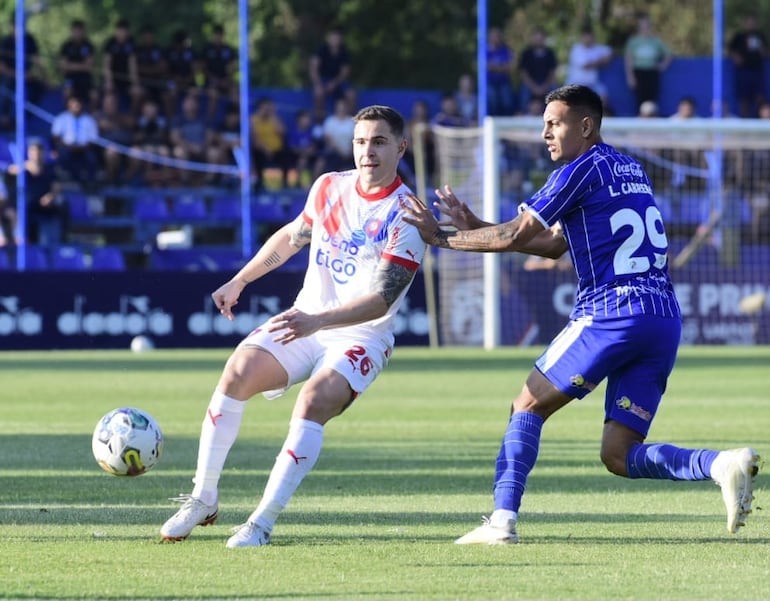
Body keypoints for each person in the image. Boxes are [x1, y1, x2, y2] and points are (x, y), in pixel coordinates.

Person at [402, 84, 760, 544]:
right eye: (544, 124)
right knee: (619, 453)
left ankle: (501, 522)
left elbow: (519, 234)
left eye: (555, 123)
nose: (545, 133)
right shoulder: (627, 166)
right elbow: (552, 245)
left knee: (526, 405)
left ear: (585, 126)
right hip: (663, 317)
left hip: (613, 310)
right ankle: (719, 464)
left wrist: (441, 238)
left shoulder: (579, 167)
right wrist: (474, 226)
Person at [159, 105, 426, 547]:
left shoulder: (408, 214)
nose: (368, 152)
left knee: (313, 400)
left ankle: (260, 523)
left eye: (379, 142)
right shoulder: (328, 187)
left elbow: (380, 300)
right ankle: (202, 497)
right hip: (306, 321)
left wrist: (316, 320)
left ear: (401, 147)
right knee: (237, 372)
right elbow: (293, 236)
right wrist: (240, 279)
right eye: (361, 141)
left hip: (362, 335)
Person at [624, 13, 671, 112]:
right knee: (640, 99)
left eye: (647, 26)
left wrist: (663, 65)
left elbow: (668, 54)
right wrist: (630, 77)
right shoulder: (633, 41)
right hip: (639, 72)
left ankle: (652, 122)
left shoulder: (656, 41)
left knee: (652, 99)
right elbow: (628, 59)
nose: (645, 28)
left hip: (652, 72)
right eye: (642, 26)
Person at [50, 95, 100, 183]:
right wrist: (67, 146)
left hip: (84, 148)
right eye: (73, 104)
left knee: (91, 158)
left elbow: (93, 139)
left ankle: (91, 183)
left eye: (77, 105)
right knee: (64, 156)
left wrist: (82, 147)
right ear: (68, 105)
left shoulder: (89, 120)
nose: (75, 107)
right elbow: (55, 136)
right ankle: (75, 181)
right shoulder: (61, 118)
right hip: (66, 147)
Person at [727, 13, 768, 118]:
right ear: (744, 24)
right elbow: (730, 50)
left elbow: (766, 53)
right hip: (743, 71)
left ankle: (759, 119)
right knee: (743, 98)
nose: (751, 24)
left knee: (760, 97)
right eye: (748, 22)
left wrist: (762, 51)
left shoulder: (760, 36)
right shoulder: (739, 36)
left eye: (753, 22)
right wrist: (736, 57)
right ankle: (744, 120)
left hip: (757, 71)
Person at [566, 25, 613, 106]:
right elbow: (586, 66)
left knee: (603, 97)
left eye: (590, 37)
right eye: (585, 37)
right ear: (581, 37)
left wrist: (601, 61)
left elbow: (610, 52)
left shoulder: (597, 48)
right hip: (576, 84)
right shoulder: (576, 49)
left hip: (593, 84)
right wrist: (601, 61)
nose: (588, 39)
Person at [102, 18, 141, 113]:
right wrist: (109, 82)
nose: (121, 33)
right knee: (109, 98)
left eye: (124, 31)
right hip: (113, 80)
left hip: (127, 81)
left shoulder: (131, 44)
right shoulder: (110, 44)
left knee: (137, 93)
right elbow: (107, 65)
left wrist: (135, 83)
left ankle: (132, 116)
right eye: (119, 31)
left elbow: (133, 66)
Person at [309, 27, 351, 112]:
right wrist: (317, 84)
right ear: (328, 38)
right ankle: (319, 122)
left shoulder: (344, 52)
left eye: (337, 38)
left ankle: (352, 120)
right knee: (318, 94)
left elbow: (345, 72)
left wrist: (334, 83)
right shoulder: (321, 50)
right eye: (333, 37)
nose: (334, 40)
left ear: (340, 39)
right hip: (323, 79)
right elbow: (313, 68)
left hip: (338, 81)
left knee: (351, 95)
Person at [517, 27, 558, 112]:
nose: (539, 40)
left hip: (546, 83)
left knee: (555, 92)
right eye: (537, 38)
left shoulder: (550, 53)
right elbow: (523, 73)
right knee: (524, 92)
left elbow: (552, 72)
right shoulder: (526, 53)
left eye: (541, 38)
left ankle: (555, 113)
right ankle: (523, 113)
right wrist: (533, 87)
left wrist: (545, 86)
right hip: (530, 84)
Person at [59, 19, 96, 106]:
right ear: (71, 31)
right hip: (70, 78)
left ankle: (92, 115)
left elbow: (89, 67)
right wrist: (81, 66)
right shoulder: (66, 46)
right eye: (75, 31)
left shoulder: (88, 46)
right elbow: (63, 67)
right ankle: (67, 115)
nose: (77, 33)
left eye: (79, 31)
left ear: (83, 32)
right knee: (67, 93)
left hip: (86, 79)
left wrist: (71, 66)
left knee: (94, 95)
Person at [486, 27, 516, 116]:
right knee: (492, 99)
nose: (496, 38)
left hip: (504, 81)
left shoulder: (506, 50)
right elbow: (486, 66)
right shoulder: (484, 51)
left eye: (498, 36)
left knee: (507, 100)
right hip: (490, 82)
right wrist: (501, 67)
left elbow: (510, 67)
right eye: (494, 36)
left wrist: (494, 67)